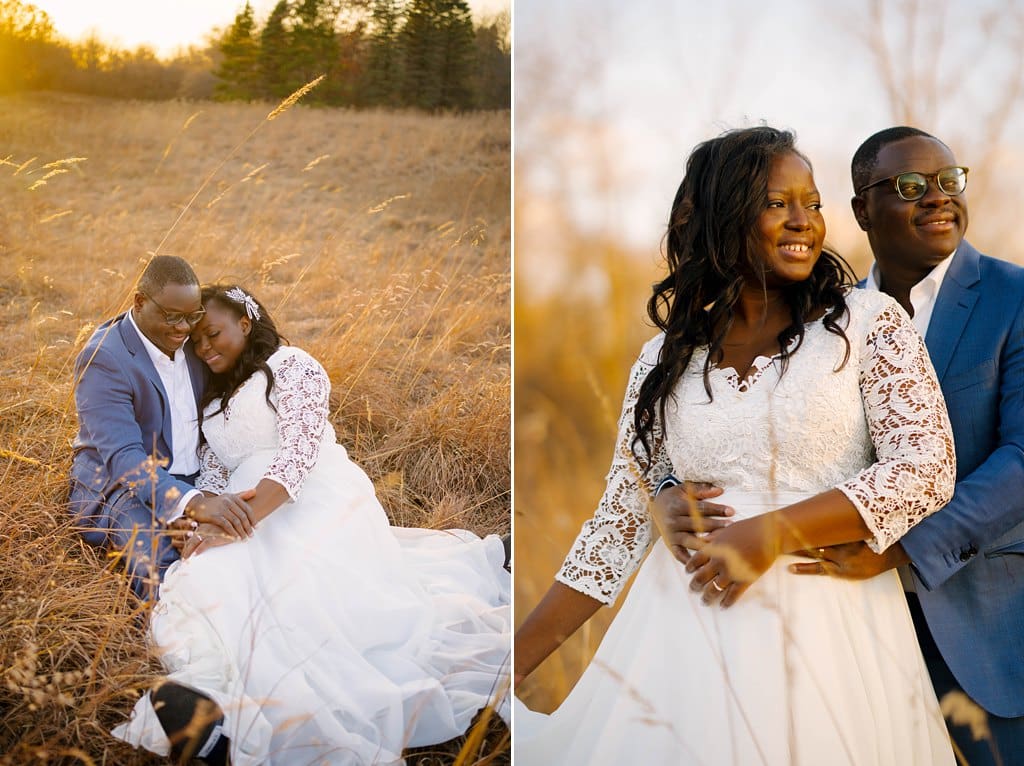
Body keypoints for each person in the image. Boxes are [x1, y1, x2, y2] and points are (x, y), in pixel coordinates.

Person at [513, 126, 957, 765]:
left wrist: (770, 532)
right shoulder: (664, 361)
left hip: (829, 638)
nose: (804, 221)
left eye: (812, 202)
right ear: (723, 217)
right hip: (679, 643)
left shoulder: (868, 325)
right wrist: (514, 665)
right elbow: (617, 521)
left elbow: (926, 468)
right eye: (777, 204)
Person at [655, 126, 1024, 765]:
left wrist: (903, 548)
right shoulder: (831, 321)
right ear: (861, 209)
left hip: (985, 617)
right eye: (910, 186)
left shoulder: (1013, 296)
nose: (937, 198)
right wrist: (665, 491)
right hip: (844, 623)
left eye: (949, 181)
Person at [112, 284, 512, 765]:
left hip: (312, 497)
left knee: (301, 598)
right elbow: (212, 471)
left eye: (213, 333)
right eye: (196, 342)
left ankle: (248, 730)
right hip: (242, 510)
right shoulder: (215, 399)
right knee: (206, 580)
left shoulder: (293, 365)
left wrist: (237, 524)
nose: (204, 348)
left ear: (245, 322)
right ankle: (211, 706)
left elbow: (299, 454)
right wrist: (202, 516)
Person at [69, 256, 260, 602]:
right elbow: (125, 458)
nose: (184, 329)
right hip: (117, 486)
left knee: (246, 552)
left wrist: (201, 500)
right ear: (140, 302)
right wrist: (187, 504)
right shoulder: (104, 357)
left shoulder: (194, 344)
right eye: (172, 316)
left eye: (192, 316)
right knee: (165, 573)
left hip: (197, 480)